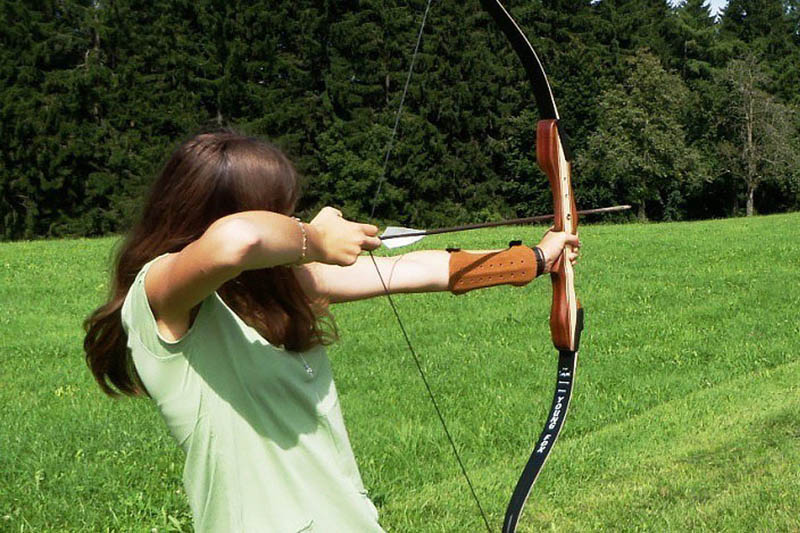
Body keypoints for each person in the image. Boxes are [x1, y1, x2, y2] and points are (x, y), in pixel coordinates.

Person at [83, 130, 580, 532]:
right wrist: (312, 238)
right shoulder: (161, 297)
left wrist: (533, 259)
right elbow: (236, 242)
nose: (290, 217)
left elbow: (411, 270)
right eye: (280, 208)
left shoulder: (275, 288)